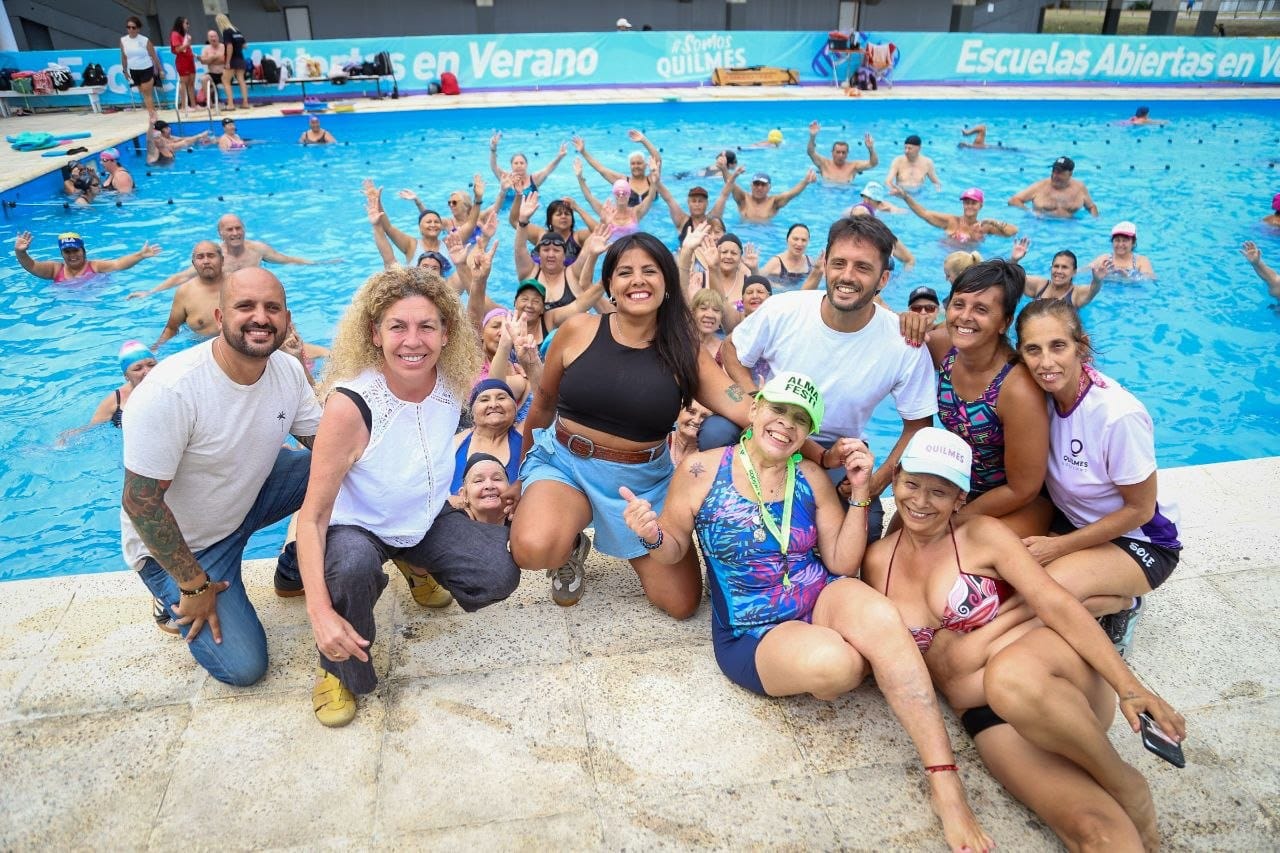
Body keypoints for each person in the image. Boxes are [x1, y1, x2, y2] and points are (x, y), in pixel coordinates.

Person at [620, 376, 993, 853]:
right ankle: (857, 659)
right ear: (754, 411)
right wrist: (650, 535)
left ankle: (946, 785)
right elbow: (672, 551)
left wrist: (860, 492)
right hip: (752, 628)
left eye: (801, 420)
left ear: (807, 435)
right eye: (779, 410)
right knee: (839, 666)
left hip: (820, 594)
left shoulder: (811, 477)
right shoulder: (699, 470)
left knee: (880, 616)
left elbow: (840, 562)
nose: (786, 424)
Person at [862, 427, 1185, 853]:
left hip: (1045, 679)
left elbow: (1053, 602)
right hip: (985, 716)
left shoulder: (982, 536)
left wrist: (1130, 688)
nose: (921, 502)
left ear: (961, 498)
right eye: (912, 484)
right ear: (897, 478)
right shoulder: (876, 562)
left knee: (1010, 676)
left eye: (939, 492)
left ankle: (1125, 783)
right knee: (1094, 833)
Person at [295, 267, 520, 726]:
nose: (412, 341)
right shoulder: (350, 405)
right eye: (398, 326)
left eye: (426, 326)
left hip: (424, 517)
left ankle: (413, 562)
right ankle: (337, 667)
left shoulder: (452, 386)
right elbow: (312, 518)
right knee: (353, 568)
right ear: (375, 335)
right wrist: (319, 612)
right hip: (358, 527)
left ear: (445, 334)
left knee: (498, 571)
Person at [509, 232, 758, 612]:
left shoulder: (683, 349)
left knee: (681, 604)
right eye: (625, 272)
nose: (637, 280)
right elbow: (542, 404)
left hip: (641, 485)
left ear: (666, 283)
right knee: (531, 548)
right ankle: (570, 538)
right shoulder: (578, 330)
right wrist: (521, 476)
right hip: (566, 466)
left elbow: (744, 407)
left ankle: (619, 532)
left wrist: (812, 444)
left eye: (649, 271)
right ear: (610, 284)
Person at [121, 267, 322, 686]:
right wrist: (192, 586)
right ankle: (168, 595)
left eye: (272, 307)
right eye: (245, 306)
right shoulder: (172, 390)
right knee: (245, 668)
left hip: (247, 498)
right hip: (187, 550)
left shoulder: (286, 369)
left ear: (287, 318)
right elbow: (140, 502)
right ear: (219, 317)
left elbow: (326, 446)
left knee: (341, 468)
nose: (260, 317)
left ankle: (291, 571)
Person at [705, 216, 939, 542]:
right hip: (774, 426)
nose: (847, 276)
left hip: (838, 449)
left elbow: (918, 425)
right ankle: (727, 533)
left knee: (865, 529)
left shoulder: (902, 342)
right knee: (716, 431)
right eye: (839, 263)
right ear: (825, 263)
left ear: (883, 278)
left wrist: (877, 483)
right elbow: (732, 350)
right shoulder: (784, 309)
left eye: (862, 267)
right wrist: (753, 400)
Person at [1014, 299, 1183, 655]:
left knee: (1041, 601)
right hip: (1076, 521)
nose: (1046, 363)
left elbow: (1139, 510)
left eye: (1058, 346)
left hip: (1141, 541)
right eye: (1033, 349)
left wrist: (1058, 547)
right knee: (1011, 582)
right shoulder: (1037, 396)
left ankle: (1124, 603)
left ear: (1082, 346)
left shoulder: (1117, 415)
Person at [922, 260, 1052, 535]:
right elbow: (892, 339)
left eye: (981, 309)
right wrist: (907, 321)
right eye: (959, 304)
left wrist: (954, 519)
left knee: (953, 551)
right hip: (960, 487)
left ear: (1005, 322)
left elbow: (1023, 488)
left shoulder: (1017, 389)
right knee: (896, 539)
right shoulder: (945, 348)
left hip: (1014, 502)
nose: (965, 317)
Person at [132, 214, 326, 298]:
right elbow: (182, 276)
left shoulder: (258, 249)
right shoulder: (215, 255)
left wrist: (319, 263)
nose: (235, 233)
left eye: (238, 228)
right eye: (229, 229)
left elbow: (287, 259)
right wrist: (150, 292)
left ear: (244, 229)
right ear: (221, 234)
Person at [58, 340, 157, 444]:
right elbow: (92, 428)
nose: (148, 371)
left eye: (151, 364)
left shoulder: (169, 385)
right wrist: (67, 437)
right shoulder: (115, 400)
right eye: (138, 369)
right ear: (126, 376)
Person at [152, 241, 228, 349]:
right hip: (199, 348)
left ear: (222, 260)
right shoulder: (184, 292)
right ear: (194, 263)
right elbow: (171, 328)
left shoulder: (237, 284)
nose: (206, 261)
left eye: (211, 256)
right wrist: (156, 349)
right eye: (200, 257)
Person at [452, 379, 524, 493]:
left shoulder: (526, 435)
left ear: (515, 407)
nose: (493, 404)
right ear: (472, 412)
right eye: (484, 400)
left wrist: (531, 364)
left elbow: (545, 404)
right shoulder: (455, 444)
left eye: (501, 398)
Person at [15, 231, 160, 283]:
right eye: (67, 252)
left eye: (75, 250)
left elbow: (118, 264)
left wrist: (140, 255)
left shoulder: (95, 266)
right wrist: (21, 252)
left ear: (83, 251)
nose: (72, 255)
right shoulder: (55, 269)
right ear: (62, 254)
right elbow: (32, 266)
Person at [573, 129, 661, 205]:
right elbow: (601, 169)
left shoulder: (653, 179)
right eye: (633, 164)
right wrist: (583, 152)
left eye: (639, 163)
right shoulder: (623, 181)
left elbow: (658, 161)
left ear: (646, 165)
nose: (636, 166)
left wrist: (644, 140)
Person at [902, 188, 1018, 243]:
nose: (969, 206)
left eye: (973, 203)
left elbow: (1012, 232)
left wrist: (993, 221)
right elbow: (924, 214)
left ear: (980, 206)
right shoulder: (951, 221)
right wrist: (905, 197)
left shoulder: (984, 227)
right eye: (966, 203)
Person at [1012, 241, 1103, 308]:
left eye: (1064, 267)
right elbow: (1014, 277)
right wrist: (1014, 260)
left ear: (1074, 272)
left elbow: (1093, 290)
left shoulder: (1076, 293)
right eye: (1056, 266)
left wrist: (1097, 280)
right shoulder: (1040, 285)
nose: (1059, 271)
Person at [1007, 156, 1098, 218]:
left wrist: (1095, 221)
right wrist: (1030, 212)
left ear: (1070, 174)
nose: (1055, 175)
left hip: (1069, 227)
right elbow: (1013, 200)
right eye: (1054, 171)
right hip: (1042, 227)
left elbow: (1091, 207)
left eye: (1060, 172)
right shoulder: (1040, 186)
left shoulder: (1079, 188)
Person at [488, 132, 566, 200]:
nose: (519, 165)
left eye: (522, 163)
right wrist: (493, 149)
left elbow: (548, 170)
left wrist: (559, 157)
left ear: (526, 165)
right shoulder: (505, 178)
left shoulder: (534, 179)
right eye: (516, 163)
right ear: (511, 165)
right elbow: (494, 166)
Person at [724, 169, 817, 224]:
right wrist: (723, 168)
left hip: (767, 236)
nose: (759, 188)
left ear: (769, 187)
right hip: (744, 232)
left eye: (763, 185)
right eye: (756, 184)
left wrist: (805, 181)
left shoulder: (774, 202)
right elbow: (730, 183)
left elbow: (791, 194)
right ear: (751, 186)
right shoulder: (743, 199)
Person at [654, 183, 733, 245]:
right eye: (694, 201)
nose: (697, 204)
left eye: (700, 201)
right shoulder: (682, 221)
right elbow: (669, 199)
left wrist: (731, 175)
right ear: (688, 203)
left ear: (707, 203)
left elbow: (724, 196)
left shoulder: (713, 220)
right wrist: (657, 181)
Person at [120, 16, 164, 121]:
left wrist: (160, 69)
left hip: (146, 68)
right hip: (133, 70)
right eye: (128, 27)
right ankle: (152, 112)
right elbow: (124, 56)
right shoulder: (123, 40)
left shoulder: (144, 40)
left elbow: (154, 56)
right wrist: (125, 70)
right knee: (142, 91)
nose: (130, 29)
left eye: (133, 27)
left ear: (138, 29)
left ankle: (152, 115)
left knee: (146, 92)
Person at [806, 122, 877, 183]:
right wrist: (812, 136)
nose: (841, 155)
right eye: (838, 152)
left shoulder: (853, 166)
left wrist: (871, 148)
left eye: (843, 152)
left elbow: (873, 164)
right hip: (827, 196)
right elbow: (810, 152)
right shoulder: (824, 164)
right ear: (832, 152)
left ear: (847, 154)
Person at [456, 453, 513, 525]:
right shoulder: (451, 525)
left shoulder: (523, 524)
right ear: (464, 494)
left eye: (497, 479)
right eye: (478, 481)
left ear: (510, 489)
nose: (489, 486)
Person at [1088, 221, 1155, 280]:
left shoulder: (1141, 261)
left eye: (1125, 241)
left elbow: (1150, 280)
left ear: (1133, 243)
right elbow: (1082, 272)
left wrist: (1128, 278)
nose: (1120, 244)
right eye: (1117, 240)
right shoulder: (1104, 259)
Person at [760, 223, 814, 291]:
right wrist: (778, 287)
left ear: (808, 242)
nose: (799, 244)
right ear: (787, 239)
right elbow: (759, 279)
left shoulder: (810, 262)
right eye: (795, 239)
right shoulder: (776, 262)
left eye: (804, 240)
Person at [215, 13, 250, 109]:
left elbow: (229, 46)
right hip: (240, 58)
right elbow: (245, 46)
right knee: (241, 80)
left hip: (232, 59)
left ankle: (230, 104)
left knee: (225, 80)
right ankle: (245, 103)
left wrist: (228, 62)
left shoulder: (226, 31)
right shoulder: (237, 30)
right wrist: (237, 47)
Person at [667, 401, 710, 466]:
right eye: (691, 412)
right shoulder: (659, 440)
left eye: (704, 417)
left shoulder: (710, 456)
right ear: (679, 411)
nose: (696, 421)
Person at [169, 17, 197, 115]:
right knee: (184, 83)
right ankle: (184, 106)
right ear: (181, 24)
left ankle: (193, 105)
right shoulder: (175, 34)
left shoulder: (185, 35)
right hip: (182, 61)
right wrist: (187, 44)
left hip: (190, 60)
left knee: (191, 83)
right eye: (186, 23)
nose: (188, 25)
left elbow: (187, 49)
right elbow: (177, 49)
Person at [198, 30, 226, 108]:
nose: (213, 38)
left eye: (214, 36)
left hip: (224, 72)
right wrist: (214, 57)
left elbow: (224, 60)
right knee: (204, 79)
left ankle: (229, 101)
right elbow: (203, 61)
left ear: (218, 37)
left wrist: (211, 59)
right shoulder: (206, 49)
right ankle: (209, 103)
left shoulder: (223, 46)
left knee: (227, 76)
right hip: (212, 73)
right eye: (211, 37)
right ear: (208, 38)